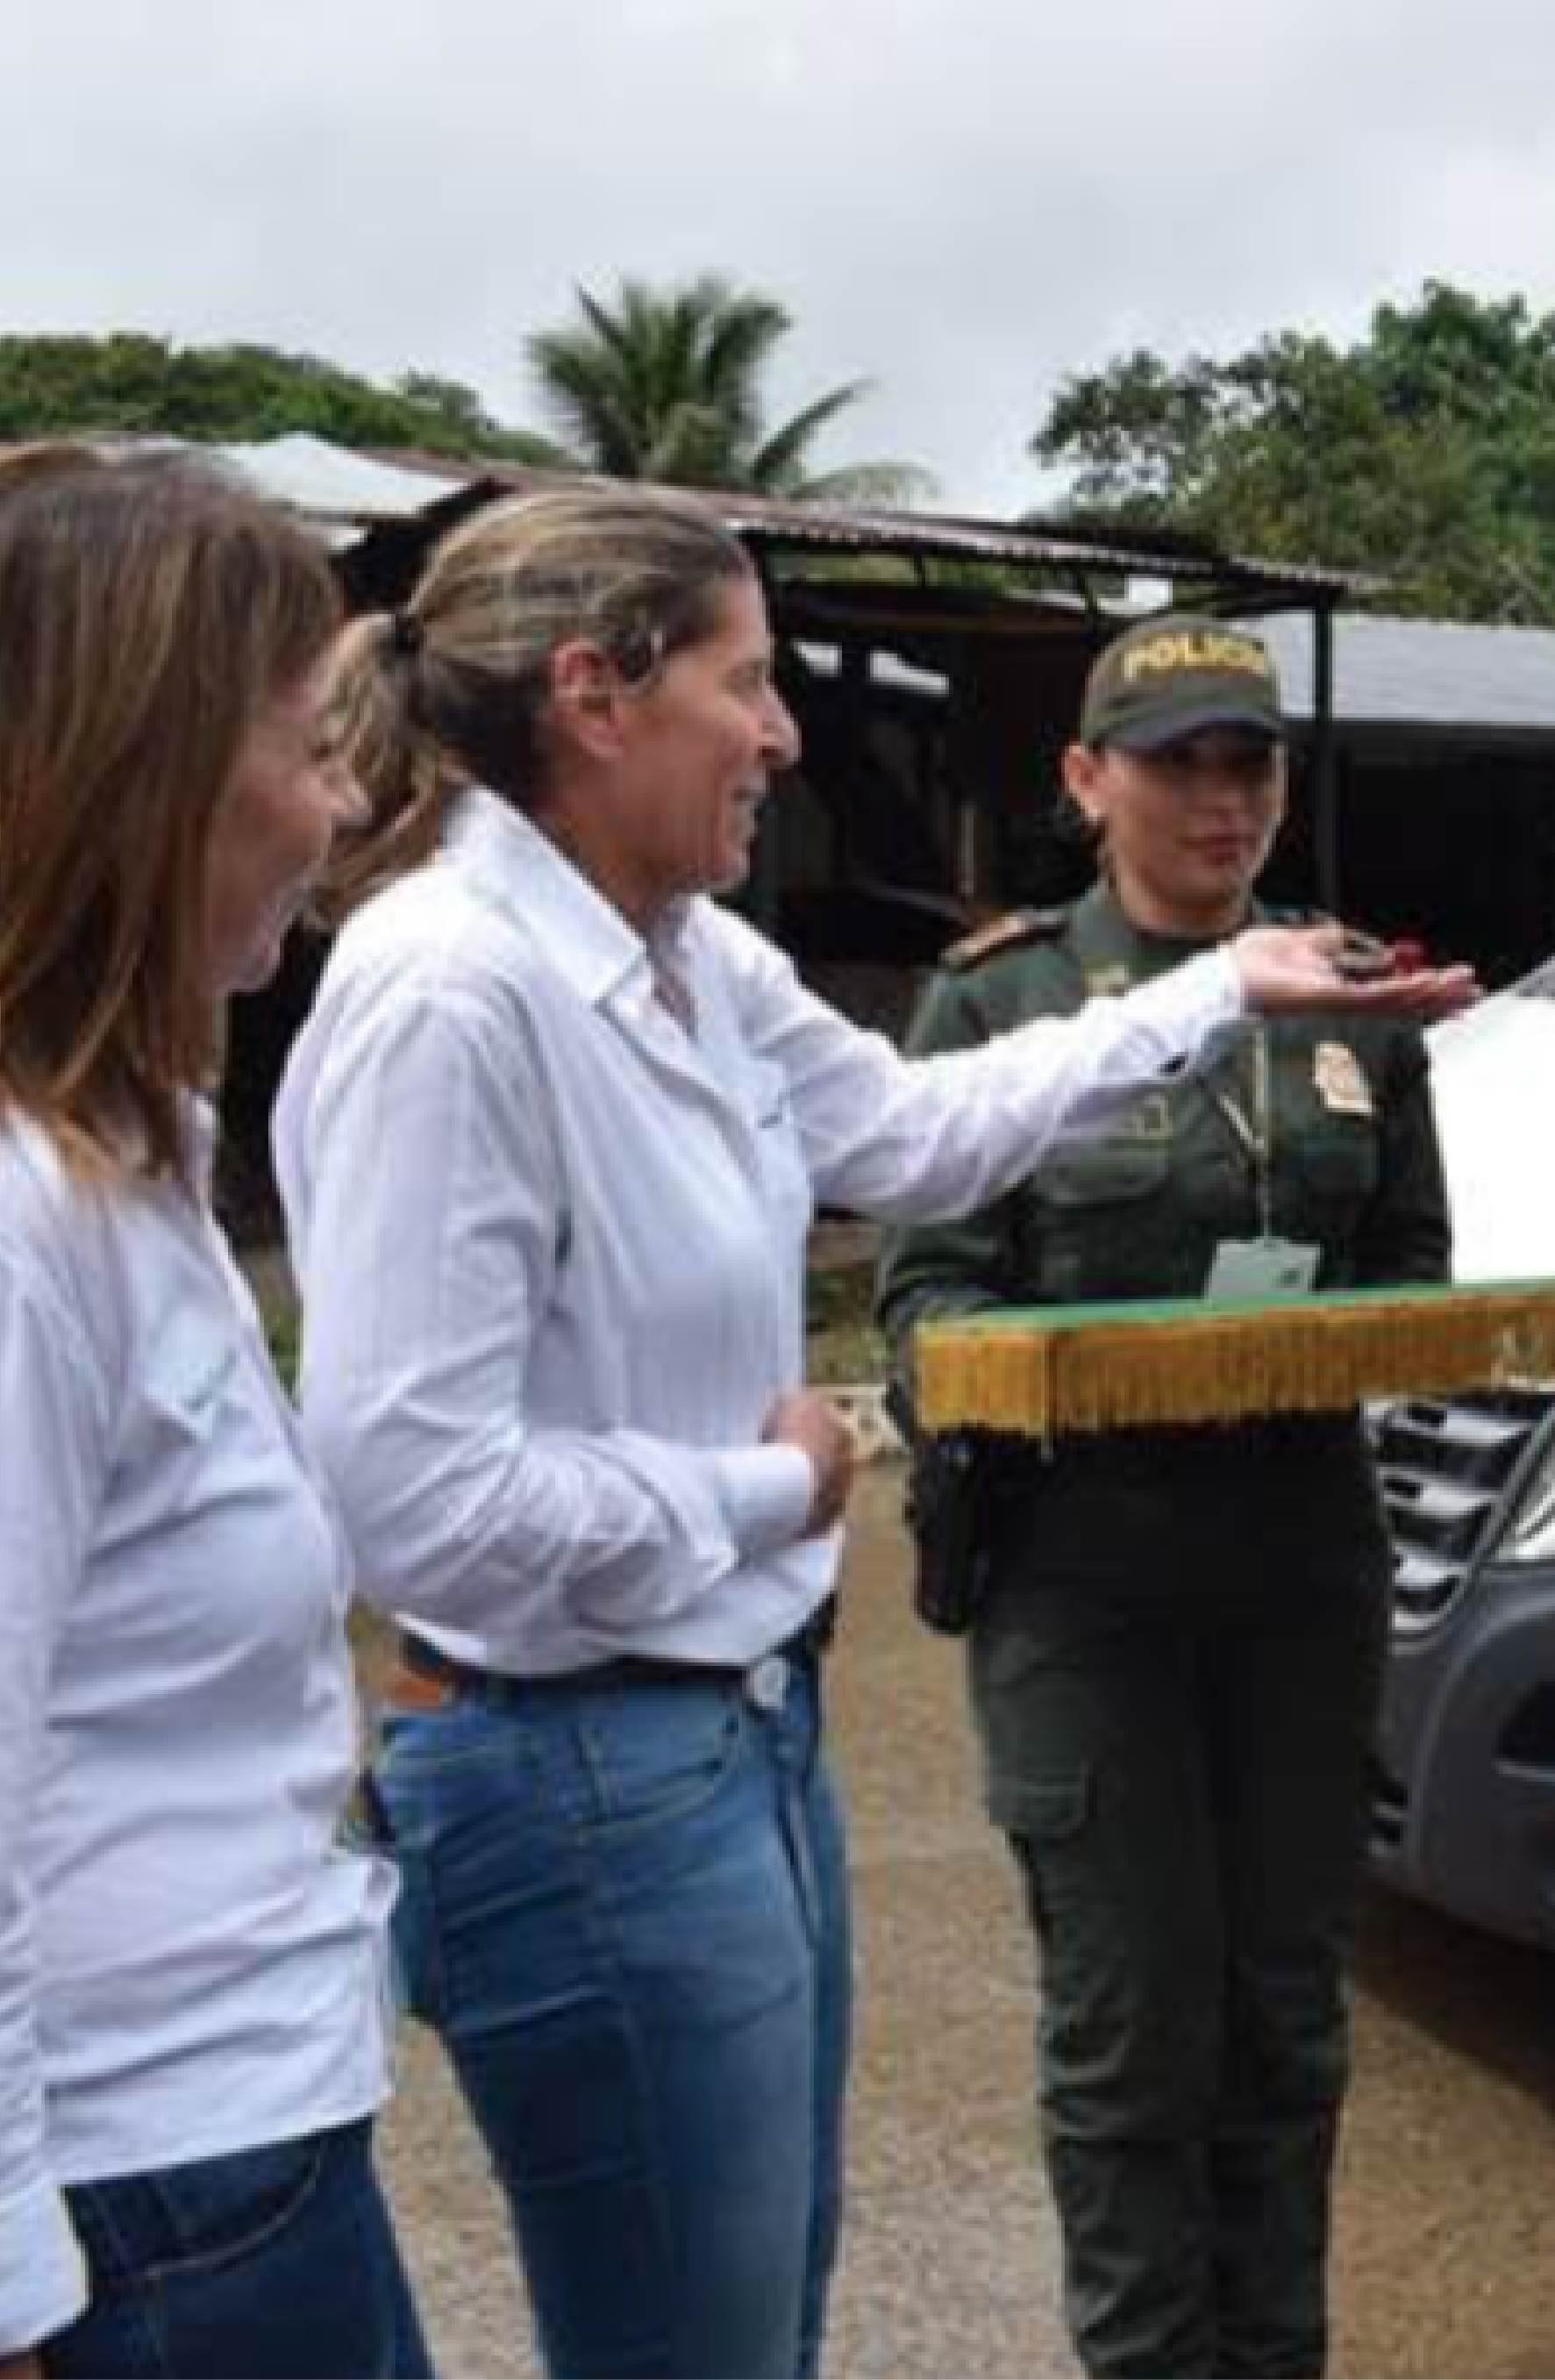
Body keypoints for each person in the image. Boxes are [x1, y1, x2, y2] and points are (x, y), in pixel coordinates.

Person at [275, 487, 1469, 2380]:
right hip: (580, 1763)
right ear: (594, 694)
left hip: (734, 1730)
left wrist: (1219, 989)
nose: (787, 729)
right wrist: (782, 1477)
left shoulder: (687, 955)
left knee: (755, 2327)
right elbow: (412, 1495)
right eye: (747, 681)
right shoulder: (452, 989)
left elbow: (917, 1133)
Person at [874, 614, 1448, 2377]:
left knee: (1287, 2028)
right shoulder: (1004, 1000)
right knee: (1131, 2036)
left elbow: (1411, 1257)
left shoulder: (1357, 992)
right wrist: (1039, 1375)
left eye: (1249, 762)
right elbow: (925, 1299)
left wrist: (1372, 1336)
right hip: (1085, 1574)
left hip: (1297, 1564)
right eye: (1179, 760)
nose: (1220, 797)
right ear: (1084, 781)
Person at [0, 447, 426, 2376]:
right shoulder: (25, 1219)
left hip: (221, 2154)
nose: (344, 797)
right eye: (300, 738)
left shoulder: (135, 1165)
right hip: (149, 2213)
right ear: (142, 776)